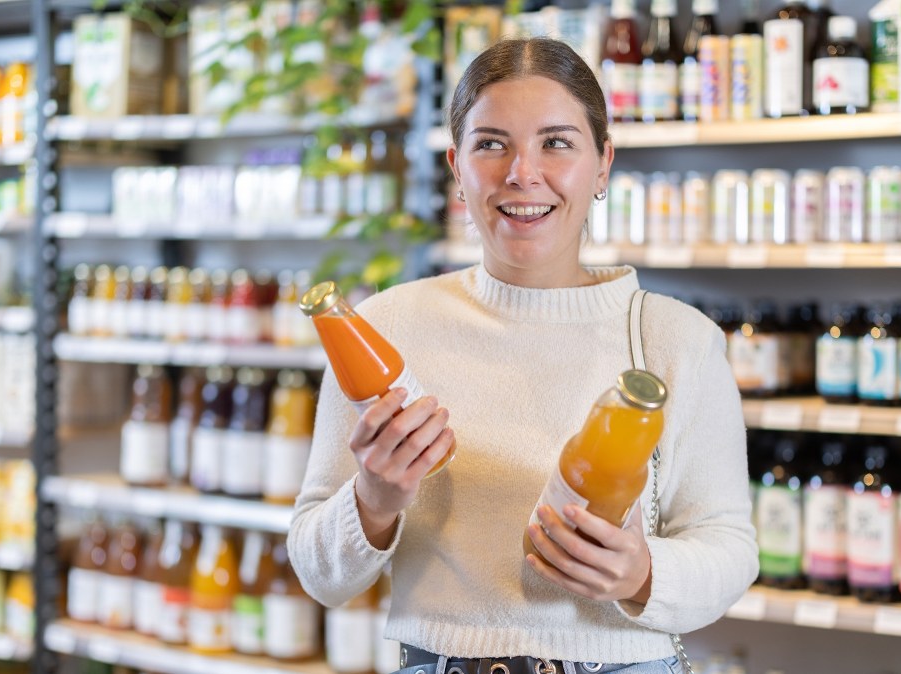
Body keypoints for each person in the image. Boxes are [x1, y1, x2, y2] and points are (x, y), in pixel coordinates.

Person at [289, 37, 756, 673]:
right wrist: (372, 500)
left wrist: (644, 574)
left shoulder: (679, 340)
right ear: (456, 167)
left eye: (557, 142)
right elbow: (320, 574)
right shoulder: (384, 328)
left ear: (603, 165)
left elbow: (730, 549)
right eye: (491, 143)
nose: (521, 173)